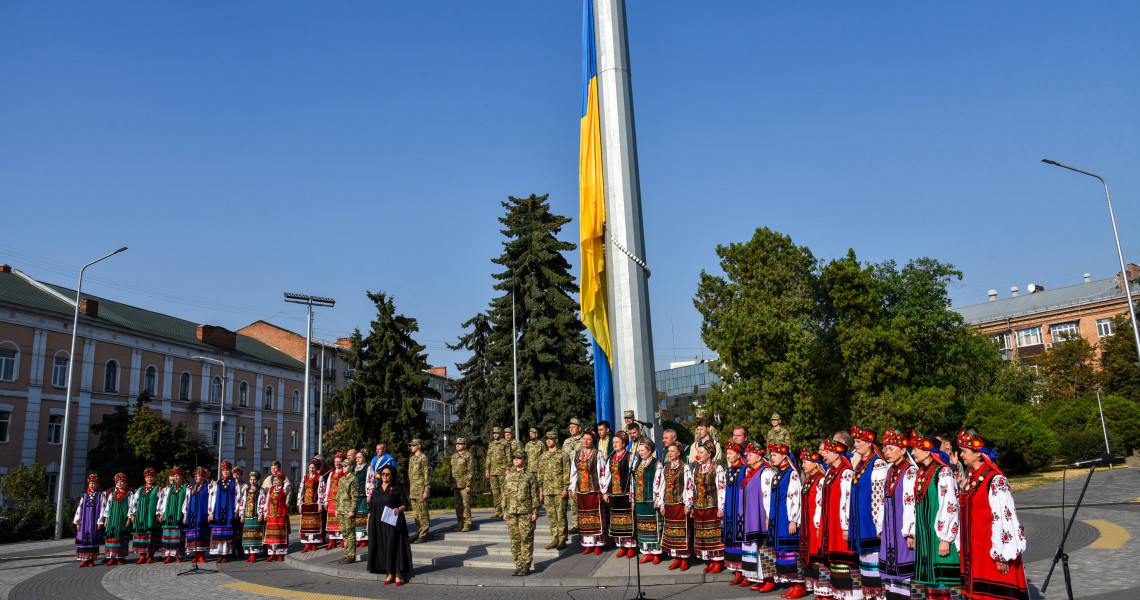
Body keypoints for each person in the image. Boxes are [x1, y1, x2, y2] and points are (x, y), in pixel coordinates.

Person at [956, 430, 1028, 600]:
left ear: (979, 454)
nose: (961, 454)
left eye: (965, 451)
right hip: (976, 553)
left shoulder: (995, 480)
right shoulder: (971, 478)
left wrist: (1001, 554)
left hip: (992, 553)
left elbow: (1004, 518)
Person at [909, 430, 962, 600]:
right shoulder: (922, 473)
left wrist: (946, 538)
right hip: (925, 537)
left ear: (927, 451)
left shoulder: (943, 472)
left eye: (916, 449)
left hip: (938, 537)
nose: (913, 453)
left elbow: (950, 505)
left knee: (941, 581)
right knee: (928, 582)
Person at [849, 425, 890, 600]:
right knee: (865, 558)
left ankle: (878, 594)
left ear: (870, 444)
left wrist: (877, 524)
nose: (856, 445)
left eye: (859, 441)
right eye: (855, 441)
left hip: (870, 521)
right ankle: (869, 592)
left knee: (873, 557)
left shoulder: (878, 463)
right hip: (861, 519)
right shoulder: (861, 463)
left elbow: (879, 497)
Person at [819, 438, 859, 600]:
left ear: (837, 453)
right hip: (831, 523)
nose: (824, 456)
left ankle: (851, 594)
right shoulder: (830, 472)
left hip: (840, 524)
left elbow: (847, 500)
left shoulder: (846, 473)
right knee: (834, 559)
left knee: (844, 558)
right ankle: (838, 593)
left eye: (827, 452)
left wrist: (846, 525)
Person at [880, 430, 918, 600]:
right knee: (891, 569)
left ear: (903, 450)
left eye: (891, 448)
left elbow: (911, 504)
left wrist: (910, 532)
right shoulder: (890, 470)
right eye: (886, 448)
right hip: (890, 530)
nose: (887, 452)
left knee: (904, 568)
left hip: (902, 529)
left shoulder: (910, 471)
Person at [766, 440, 805, 598]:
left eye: (775, 455)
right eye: (771, 455)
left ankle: (799, 585)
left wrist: (793, 519)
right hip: (777, 518)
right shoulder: (777, 473)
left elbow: (794, 497)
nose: (772, 458)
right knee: (781, 552)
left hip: (786, 518)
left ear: (784, 456)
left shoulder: (792, 473)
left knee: (790, 552)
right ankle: (791, 583)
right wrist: (769, 516)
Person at [800, 445, 835, 599]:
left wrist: (818, 524)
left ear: (814, 463)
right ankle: (818, 590)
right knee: (811, 556)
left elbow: (821, 504)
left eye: (805, 462)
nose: (803, 465)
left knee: (820, 557)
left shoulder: (820, 480)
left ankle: (826, 591)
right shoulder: (809, 480)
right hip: (808, 525)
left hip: (816, 524)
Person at [368, 464, 413, 584]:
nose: (385, 476)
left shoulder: (397, 488)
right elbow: (371, 508)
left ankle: (398, 574)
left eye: (388, 474)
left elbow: (405, 504)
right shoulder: (376, 490)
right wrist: (368, 524)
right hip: (378, 524)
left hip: (392, 523)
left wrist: (399, 508)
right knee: (383, 546)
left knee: (394, 546)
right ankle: (389, 573)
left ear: (392, 476)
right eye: (383, 474)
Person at [691, 440, 727, 573]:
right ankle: (710, 560)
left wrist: (721, 507)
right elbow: (693, 488)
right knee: (704, 535)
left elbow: (721, 488)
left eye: (701, 452)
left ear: (709, 454)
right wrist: (693, 504)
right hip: (700, 507)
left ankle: (717, 561)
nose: (699, 455)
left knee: (713, 534)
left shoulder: (717, 468)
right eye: (698, 452)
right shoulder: (697, 468)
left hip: (712, 506)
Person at [569, 429, 607, 553]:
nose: (585, 441)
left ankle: (598, 544)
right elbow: (574, 472)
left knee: (595, 517)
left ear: (593, 441)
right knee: (584, 518)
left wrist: (603, 489)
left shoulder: (597, 454)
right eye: (584, 439)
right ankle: (588, 543)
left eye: (588, 439)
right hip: (581, 491)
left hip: (594, 490)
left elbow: (602, 472)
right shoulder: (578, 454)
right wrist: (573, 488)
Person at [741, 440, 772, 590]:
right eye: (747, 454)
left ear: (760, 457)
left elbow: (768, 496)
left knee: (764, 546)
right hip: (751, 515)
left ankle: (770, 578)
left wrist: (768, 515)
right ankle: (761, 577)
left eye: (751, 454)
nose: (747, 456)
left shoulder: (765, 472)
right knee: (756, 547)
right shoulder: (750, 472)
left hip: (761, 516)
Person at [504, 450, 541, 576]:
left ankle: (526, 565)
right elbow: (505, 494)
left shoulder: (530, 476)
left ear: (525, 460)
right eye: (514, 458)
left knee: (526, 539)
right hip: (511, 512)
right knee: (515, 540)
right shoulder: (509, 476)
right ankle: (518, 564)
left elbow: (535, 496)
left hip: (526, 512)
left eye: (518, 458)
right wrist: (504, 511)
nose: (516, 460)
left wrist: (535, 511)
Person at [658, 441, 693, 571]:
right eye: (669, 451)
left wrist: (688, 504)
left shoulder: (685, 467)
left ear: (679, 452)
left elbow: (689, 486)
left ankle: (684, 559)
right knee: (671, 533)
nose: (670, 453)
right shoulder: (665, 467)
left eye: (672, 451)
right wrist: (662, 504)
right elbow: (662, 485)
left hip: (680, 504)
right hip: (668, 504)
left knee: (682, 531)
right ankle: (675, 558)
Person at [601, 430, 635, 557]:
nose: (614, 445)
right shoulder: (611, 457)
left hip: (626, 493)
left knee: (627, 519)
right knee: (616, 520)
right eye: (613, 442)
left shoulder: (630, 456)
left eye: (617, 442)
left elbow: (633, 476)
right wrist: (605, 492)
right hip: (614, 493)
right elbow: (606, 476)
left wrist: (632, 494)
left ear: (624, 443)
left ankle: (630, 546)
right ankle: (621, 546)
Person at [631, 438, 664, 564]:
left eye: (642, 450)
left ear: (650, 450)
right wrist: (633, 500)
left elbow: (660, 483)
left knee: (654, 528)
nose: (640, 452)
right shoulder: (638, 464)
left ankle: (656, 553)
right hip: (640, 501)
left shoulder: (657, 464)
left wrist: (657, 499)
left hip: (651, 500)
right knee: (643, 528)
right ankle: (646, 552)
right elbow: (632, 483)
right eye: (639, 450)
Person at [537, 430, 570, 549]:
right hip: (547, 491)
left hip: (559, 490)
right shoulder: (543, 456)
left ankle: (562, 539)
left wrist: (565, 488)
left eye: (551, 438)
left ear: (556, 440)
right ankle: (554, 538)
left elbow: (567, 472)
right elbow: (540, 474)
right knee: (551, 516)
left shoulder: (563, 455)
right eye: (547, 439)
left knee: (561, 515)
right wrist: (540, 489)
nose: (548, 440)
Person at [722, 440, 748, 585]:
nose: (728, 456)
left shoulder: (745, 470)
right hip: (730, 510)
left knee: (741, 541)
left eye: (730, 453)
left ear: (738, 455)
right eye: (727, 453)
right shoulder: (729, 470)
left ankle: (746, 573)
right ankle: (737, 572)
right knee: (732, 541)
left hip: (740, 510)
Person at [127, 467, 161, 564]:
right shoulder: (140, 490)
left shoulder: (158, 489)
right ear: (145, 478)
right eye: (148, 477)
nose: (149, 479)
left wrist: (158, 513)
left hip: (150, 517)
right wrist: (132, 514)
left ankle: (150, 556)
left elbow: (161, 502)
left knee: (151, 537)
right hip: (141, 516)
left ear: (154, 478)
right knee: (141, 537)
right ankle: (142, 556)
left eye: (151, 477)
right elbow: (134, 502)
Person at [208, 461, 239, 562]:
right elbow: (212, 498)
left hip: (229, 511)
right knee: (219, 533)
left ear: (230, 471)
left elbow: (238, 497)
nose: (226, 472)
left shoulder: (235, 482)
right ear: (221, 471)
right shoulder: (217, 483)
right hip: (218, 511)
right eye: (224, 470)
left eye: (227, 470)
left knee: (227, 533)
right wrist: (211, 512)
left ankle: (226, 554)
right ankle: (220, 554)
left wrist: (236, 511)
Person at [101, 473, 132, 565]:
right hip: (112, 519)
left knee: (121, 538)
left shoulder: (129, 494)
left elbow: (131, 507)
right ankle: (111, 557)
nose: (120, 484)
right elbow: (108, 507)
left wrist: (129, 519)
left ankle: (120, 557)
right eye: (118, 482)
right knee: (111, 538)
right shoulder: (112, 494)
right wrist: (106, 519)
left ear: (126, 483)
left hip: (122, 519)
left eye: (122, 482)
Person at [182, 468, 211, 563]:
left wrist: (209, 513)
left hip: (202, 514)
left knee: (201, 533)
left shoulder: (208, 487)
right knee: (193, 534)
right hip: (192, 514)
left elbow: (211, 500)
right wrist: (185, 514)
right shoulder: (191, 488)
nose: (196, 478)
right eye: (195, 476)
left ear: (203, 477)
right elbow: (186, 501)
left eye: (198, 476)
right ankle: (195, 554)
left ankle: (201, 555)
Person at [73, 474, 104, 567]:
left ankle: (91, 560)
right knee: (83, 539)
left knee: (93, 538)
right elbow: (80, 508)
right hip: (84, 521)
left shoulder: (100, 495)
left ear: (97, 485)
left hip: (93, 521)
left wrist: (100, 521)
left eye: (94, 483)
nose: (92, 485)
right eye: (90, 483)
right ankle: (84, 559)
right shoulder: (85, 496)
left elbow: (103, 508)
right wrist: (78, 521)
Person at [157, 468, 187, 563]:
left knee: (178, 535)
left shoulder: (186, 487)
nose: (176, 478)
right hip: (169, 514)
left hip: (178, 514)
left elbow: (187, 501)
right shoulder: (170, 488)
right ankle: (169, 555)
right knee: (168, 535)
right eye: (174, 476)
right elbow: (165, 501)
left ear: (182, 477)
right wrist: (162, 513)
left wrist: (184, 513)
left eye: (178, 476)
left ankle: (178, 555)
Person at [320, 452, 348, 550]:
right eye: (336, 462)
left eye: (339, 462)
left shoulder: (345, 473)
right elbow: (328, 487)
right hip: (332, 499)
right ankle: (332, 541)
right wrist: (326, 501)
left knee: (340, 520)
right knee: (331, 521)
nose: (337, 464)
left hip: (341, 500)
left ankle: (342, 540)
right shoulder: (332, 473)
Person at [261, 471, 290, 561]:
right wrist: (265, 513)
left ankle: (280, 553)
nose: (275, 481)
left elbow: (288, 484)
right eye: (274, 480)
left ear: (281, 480)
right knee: (272, 534)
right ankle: (272, 553)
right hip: (272, 514)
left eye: (277, 480)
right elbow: (267, 501)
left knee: (280, 534)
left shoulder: (284, 488)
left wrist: (283, 477)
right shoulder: (271, 489)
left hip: (281, 513)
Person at [562, 417, 584, 533]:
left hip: (582, 474)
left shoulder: (584, 440)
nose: (571, 429)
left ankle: (584, 522)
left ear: (579, 428)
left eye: (573, 427)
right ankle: (576, 524)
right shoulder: (566, 442)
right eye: (570, 427)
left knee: (583, 499)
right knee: (573, 500)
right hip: (570, 475)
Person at [298, 458, 325, 552]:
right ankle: (307, 544)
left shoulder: (319, 477)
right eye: (310, 467)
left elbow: (321, 491)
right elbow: (301, 491)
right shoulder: (305, 478)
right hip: (306, 504)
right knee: (306, 525)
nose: (311, 469)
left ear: (316, 468)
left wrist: (320, 504)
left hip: (314, 504)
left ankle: (314, 543)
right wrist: (300, 504)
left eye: (313, 468)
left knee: (314, 525)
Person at [336, 460, 359, 564]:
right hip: (341, 509)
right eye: (342, 466)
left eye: (345, 466)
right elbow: (338, 495)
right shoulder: (341, 479)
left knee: (350, 533)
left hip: (348, 509)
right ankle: (346, 554)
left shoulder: (353, 479)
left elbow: (354, 496)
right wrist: (336, 508)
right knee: (344, 533)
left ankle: (351, 555)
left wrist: (352, 510)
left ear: (351, 466)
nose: (343, 468)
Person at [238, 470, 265, 562]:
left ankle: (254, 554)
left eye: (254, 479)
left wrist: (260, 514)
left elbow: (262, 503)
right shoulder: (246, 490)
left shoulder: (260, 490)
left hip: (256, 516)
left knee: (255, 536)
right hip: (248, 516)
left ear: (257, 480)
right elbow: (243, 503)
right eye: (251, 479)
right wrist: (241, 514)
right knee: (248, 536)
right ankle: (250, 553)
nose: (252, 481)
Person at [407, 439, 431, 543]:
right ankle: (418, 531)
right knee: (416, 513)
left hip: (421, 489)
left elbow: (427, 475)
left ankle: (424, 533)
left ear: (419, 446)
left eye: (413, 445)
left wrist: (426, 490)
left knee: (423, 512)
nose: (411, 447)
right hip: (413, 490)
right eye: (411, 445)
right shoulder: (412, 458)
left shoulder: (423, 458)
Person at [450, 437, 475, 532]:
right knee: (458, 506)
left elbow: (471, 471)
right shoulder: (454, 456)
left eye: (460, 444)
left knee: (465, 505)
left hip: (464, 485)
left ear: (464, 445)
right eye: (457, 443)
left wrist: (468, 485)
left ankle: (467, 523)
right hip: (456, 485)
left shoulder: (468, 456)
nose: (457, 445)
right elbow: (451, 471)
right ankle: (460, 523)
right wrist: (451, 484)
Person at [354, 450, 371, 547]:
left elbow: (370, 481)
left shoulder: (367, 468)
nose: (357, 459)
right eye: (356, 458)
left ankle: (365, 537)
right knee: (357, 516)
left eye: (360, 457)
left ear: (364, 458)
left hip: (364, 495)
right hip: (357, 496)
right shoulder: (356, 469)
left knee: (363, 515)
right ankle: (358, 537)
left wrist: (369, 494)